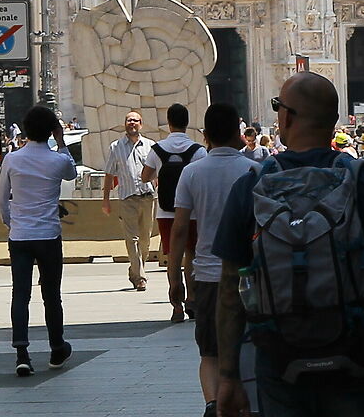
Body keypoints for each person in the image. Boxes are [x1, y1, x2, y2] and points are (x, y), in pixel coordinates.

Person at [211, 71, 364, 417]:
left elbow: (230, 291)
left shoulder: (251, 186)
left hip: (280, 362)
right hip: (358, 358)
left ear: (287, 116)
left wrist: (228, 377)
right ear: (334, 120)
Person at [173, 102, 258, 417]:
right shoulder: (254, 170)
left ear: (205, 135)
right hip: (250, 277)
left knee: (209, 352)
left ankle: (213, 404)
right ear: (239, 133)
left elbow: (180, 230)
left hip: (208, 277)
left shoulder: (192, 172)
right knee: (251, 346)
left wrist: (175, 281)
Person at [0, 103, 78, 376]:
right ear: (52, 130)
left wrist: (11, 222)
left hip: (20, 236)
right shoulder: (58, 160)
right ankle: (56, 346)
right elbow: (72, 173)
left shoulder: (12, 159)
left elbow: (1, 199)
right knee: (51, 295)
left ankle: (22, 353)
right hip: (48, 234)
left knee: (20, 294)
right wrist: (61, 141)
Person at [151, 101, 204, 321]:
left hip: (165, 212)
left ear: (169, 123)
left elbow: (145, 175)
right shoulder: (197, 151)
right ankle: (192, 298)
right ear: (187, 122)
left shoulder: (157, 149)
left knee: (173, 257)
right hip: (190, 212)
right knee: (191, 253)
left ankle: (176, 306)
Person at [102, 109, 160, 293]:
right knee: (132, 239)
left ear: (141, 124)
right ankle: (141, 277)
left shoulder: (151, 146)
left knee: (145, 240)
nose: (132, 123)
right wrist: (106, 200)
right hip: (127, 198)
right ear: (125, 124)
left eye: (135, 120)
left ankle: (134, 270)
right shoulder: (116, 147)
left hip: (148, 197)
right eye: (129, 120)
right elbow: (109, 174)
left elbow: (157, 172)